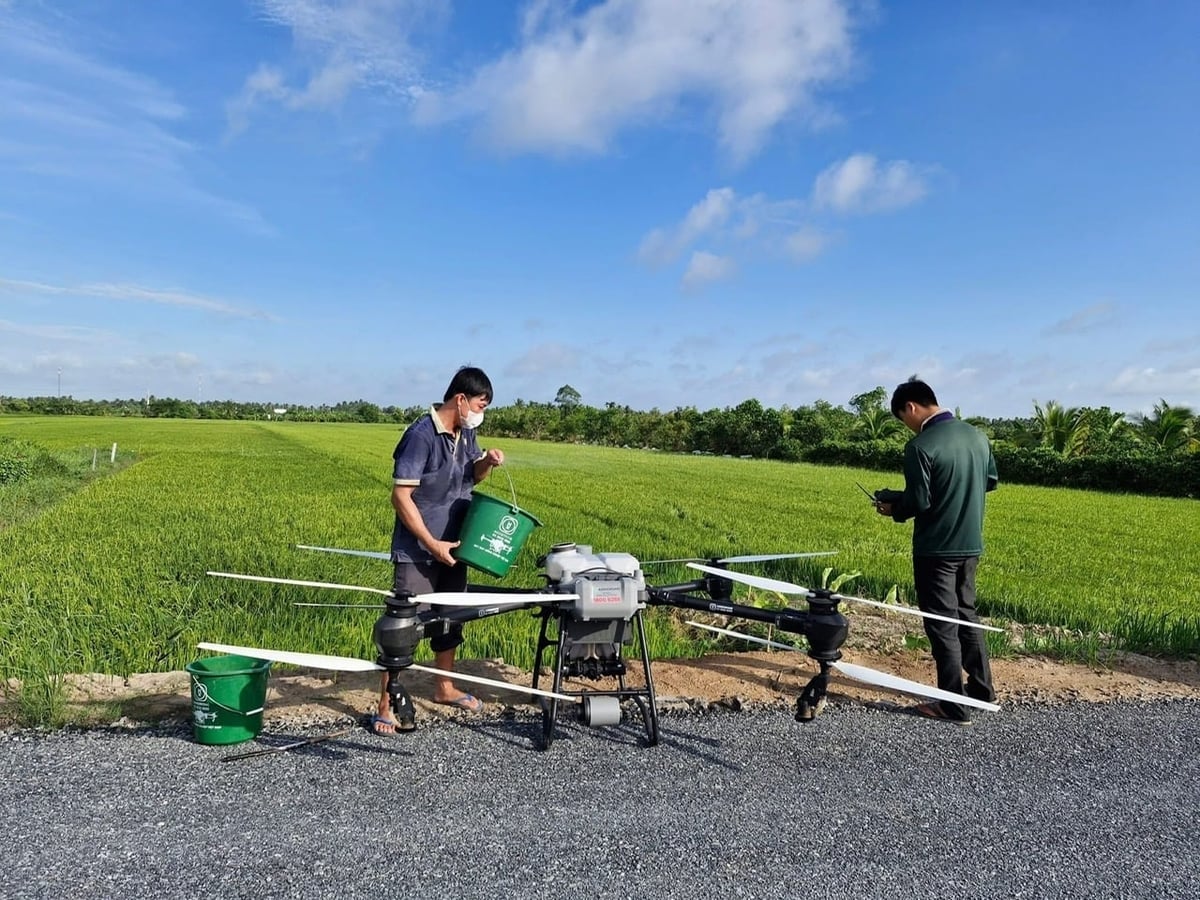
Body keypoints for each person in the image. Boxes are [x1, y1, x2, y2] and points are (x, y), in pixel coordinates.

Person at [372, 366, 505, 735]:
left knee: (450, 619)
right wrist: (432, 544)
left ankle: (444, 687)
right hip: (419, 548)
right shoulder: (421, 435)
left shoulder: (467, 432)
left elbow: (470, 477)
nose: (482, 412)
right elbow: (400, 497)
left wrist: (486, 463)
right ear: (460, 399)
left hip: (456, 541)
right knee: (403, 626)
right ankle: (385, 704)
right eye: (481, 404)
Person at [874, 378, 998, 725]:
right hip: (970, 544)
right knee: (966, 615)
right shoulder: (978, 437)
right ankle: (982, 690)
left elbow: (920, 501)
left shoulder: (921, 446)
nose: (906, 426)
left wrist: (893, 508)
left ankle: (951, 704)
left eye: (903, 419)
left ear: (911, 407)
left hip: (935, 548)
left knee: (942, 624)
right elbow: (987, 482)